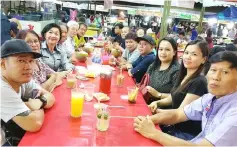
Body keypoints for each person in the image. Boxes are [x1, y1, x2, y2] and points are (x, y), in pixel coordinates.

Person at [134, 51, 237, 146]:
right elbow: (178, 114)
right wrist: (148, 120)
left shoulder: (234, 114)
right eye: (213, 70)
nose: (216, 77)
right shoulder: (210, 98)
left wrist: (153, 133)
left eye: (225, 72)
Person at [148, 39, 209, 140]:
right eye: (186, 53)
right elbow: (173, 97)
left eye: (194, 54)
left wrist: (157, 112)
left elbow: (179, 114)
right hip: (173, 127)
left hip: (185, 133)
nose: (188, 57)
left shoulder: (199, 82)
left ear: (204, 59)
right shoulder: (183, 75)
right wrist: (157, 103)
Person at [1, 39, 55, 146]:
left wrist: (39, 102)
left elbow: (50, 97)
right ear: (2, 64)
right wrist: (36, 107)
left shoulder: (22, 79)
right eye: (21, 61)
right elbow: (34, 123)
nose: (29, 67)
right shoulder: (2, 88)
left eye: (31, 61)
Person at [145, 37, 179, 105]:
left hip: (163, 109)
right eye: (160, 49)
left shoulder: (177, 71)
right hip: (146, 103)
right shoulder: (153, 66)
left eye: (167, 49)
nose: (163, 52)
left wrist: (158, 94)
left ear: (174, 52)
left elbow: (178, 97)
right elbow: (145, 82)